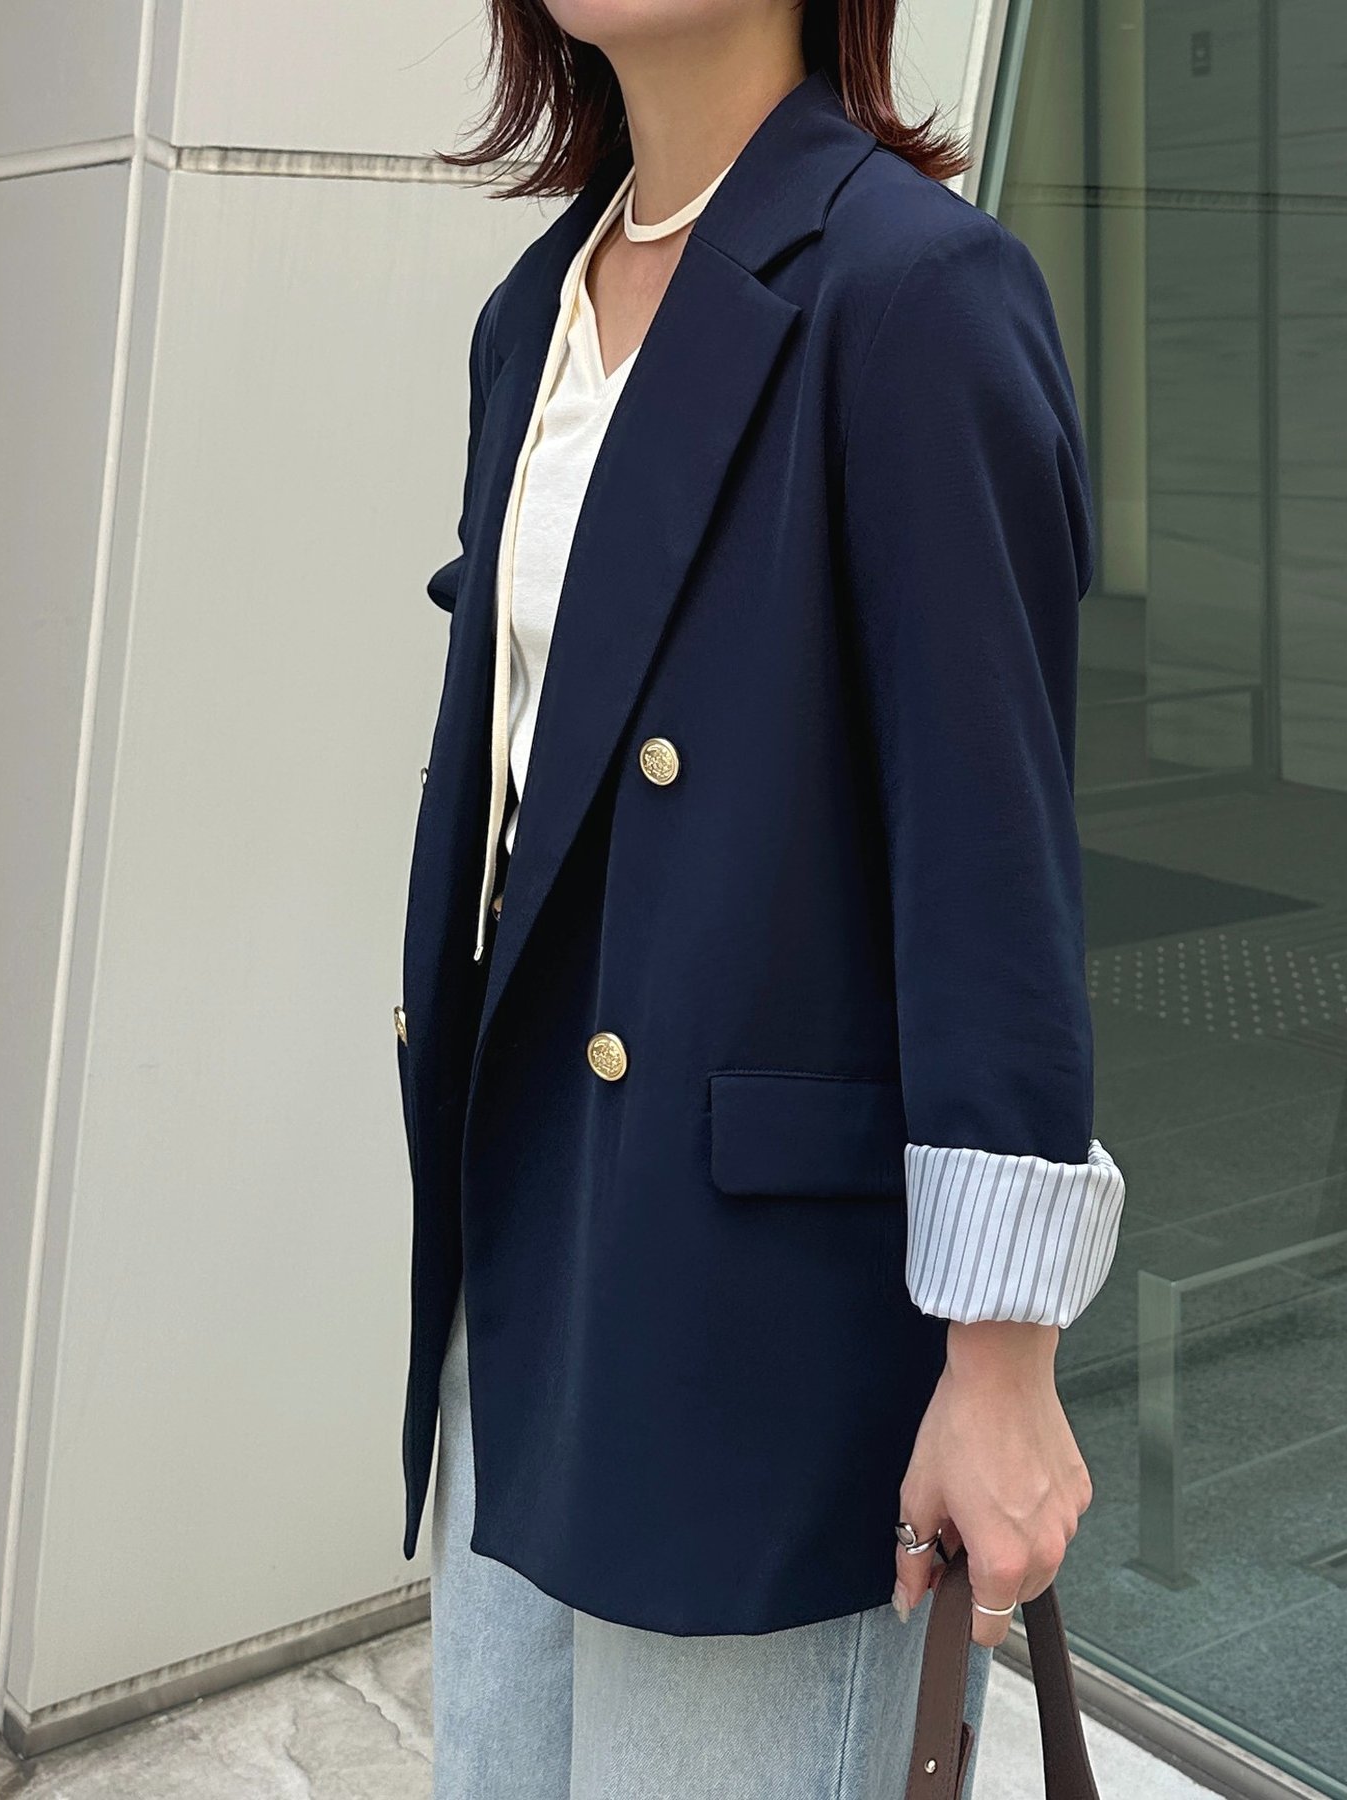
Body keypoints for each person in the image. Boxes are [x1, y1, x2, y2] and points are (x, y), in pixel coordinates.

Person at [392, 3, 1125, 1794]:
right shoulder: (531, 316)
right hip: (529, 1249)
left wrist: (1003, 1358)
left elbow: (989, 856)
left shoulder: (915, 291)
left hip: (764, 1321)